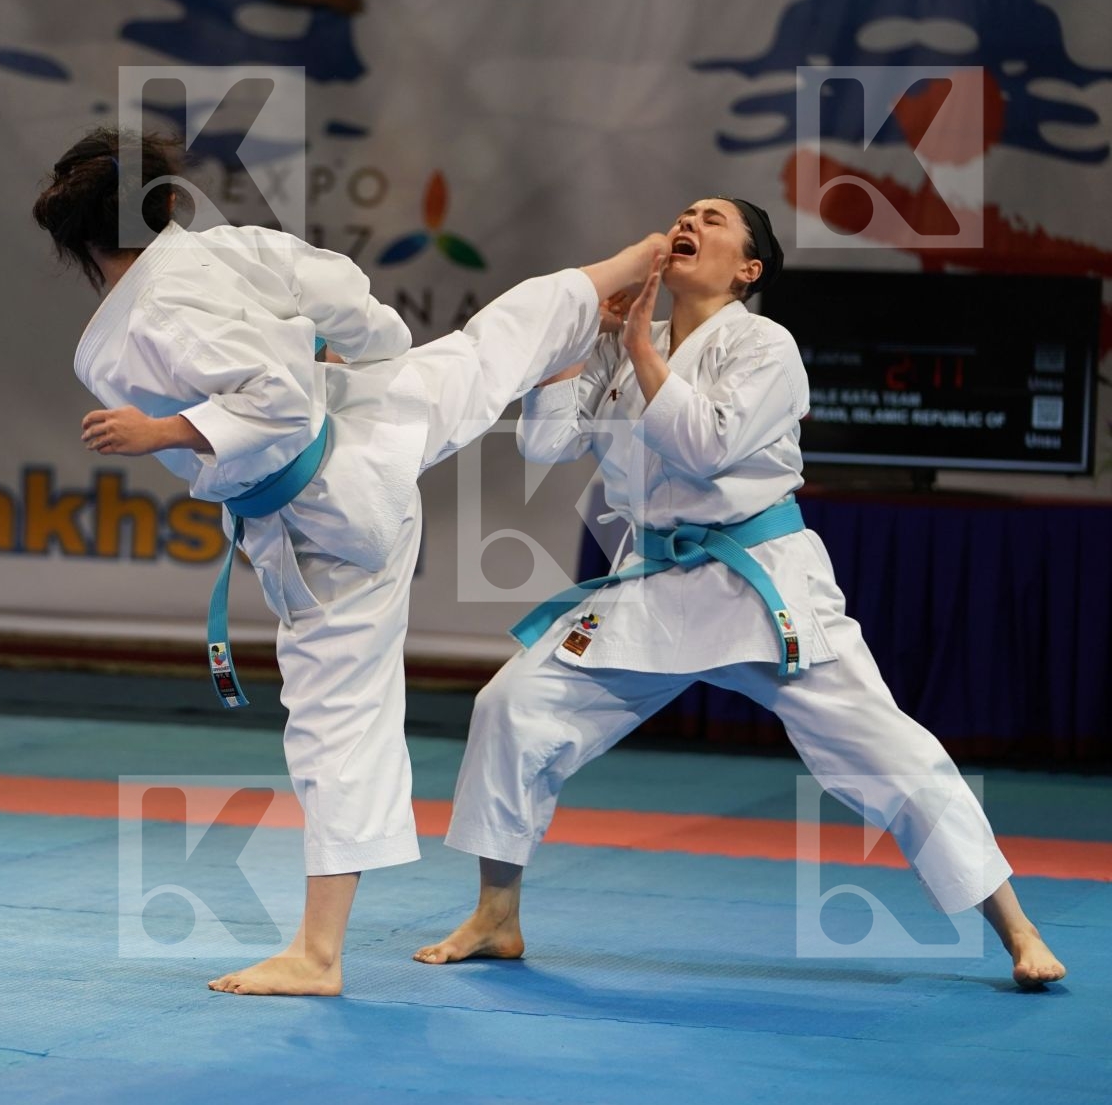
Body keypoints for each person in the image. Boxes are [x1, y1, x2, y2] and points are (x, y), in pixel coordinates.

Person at [34, 128, 666, 996]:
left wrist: (169, 430)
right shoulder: (226, 251)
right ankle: (624, 265)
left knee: (337, 718)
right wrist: (367, 353)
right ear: (168, 205)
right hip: (363, 426)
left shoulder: (150, 316)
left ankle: (318, 955)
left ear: (73, 241)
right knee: (481, 353)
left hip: (325, 517)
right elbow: (339, 295)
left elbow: (278, 404)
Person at [415, 197, 1068, 991]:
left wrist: (638, 354)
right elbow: (544, 441)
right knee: (511, 706)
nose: (689, 221)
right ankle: (496, 915)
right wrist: (577, 346)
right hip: (651, 582)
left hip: (759, 586)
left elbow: (704, 448)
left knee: (893, 753)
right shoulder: (631, 344)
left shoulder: (765, 344)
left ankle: (1016, 928)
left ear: (748, 268)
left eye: (714, 219)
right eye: (685, 212)